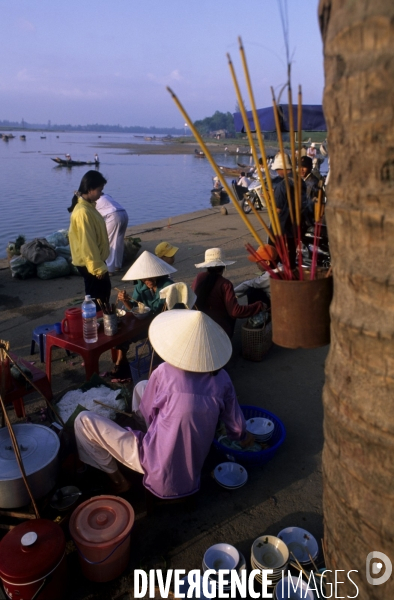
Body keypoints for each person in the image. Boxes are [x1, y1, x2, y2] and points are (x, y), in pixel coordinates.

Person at [74, 309, 253, 497]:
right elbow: (237, 429)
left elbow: (147, 412)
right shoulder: (222, 378)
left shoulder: (165, 372)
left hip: (157, 463)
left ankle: (119, 481)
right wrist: (243, 437)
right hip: (196, 459)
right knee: (142, 386)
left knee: (83, 420)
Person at [112, 250, 177, 378]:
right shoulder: (140, 286)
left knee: (159, 348)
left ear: (157, 274)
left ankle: (160, 368)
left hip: (164, 324)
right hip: (145, 322)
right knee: (122, 334)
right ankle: (121, 362)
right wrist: (126, 301)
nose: (147, 280)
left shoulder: (168, 286)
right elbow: (135, 308)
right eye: (144, 278)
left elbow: (166, 311)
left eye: (150, 276)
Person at [192, 248, 265, 338]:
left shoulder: (199, 277)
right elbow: (235, 312)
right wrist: (258, 305)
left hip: (198, 325)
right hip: (218, 330)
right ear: (224, 267)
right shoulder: (225, 284)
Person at [68, 170, 111, 307]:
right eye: (99, 190)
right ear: (90, 189)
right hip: (90, 263)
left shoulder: (89, 208)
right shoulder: (83, 212)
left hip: (94, 261)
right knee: (98, 299)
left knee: (102, 294)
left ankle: (98, 321)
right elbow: (87, 243)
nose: (101, 194)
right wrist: (97, 268)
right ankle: (96, 324)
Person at [269, 153, 307, 270]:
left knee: (276, 256)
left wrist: (270, 201)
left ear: (281, 169)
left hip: (282, 227)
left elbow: (277, 209)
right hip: (297, 226)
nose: (277, 172)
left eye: (277, 170)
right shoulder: (301, 182)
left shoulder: (282, 185)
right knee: (291, 256)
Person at [95, 193, 129, 275]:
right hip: (123, 213)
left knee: (109, 242)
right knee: (118, 242)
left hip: (113, 215)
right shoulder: (106, 196)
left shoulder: (90, 200)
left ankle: (110, 270)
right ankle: (117, 266)